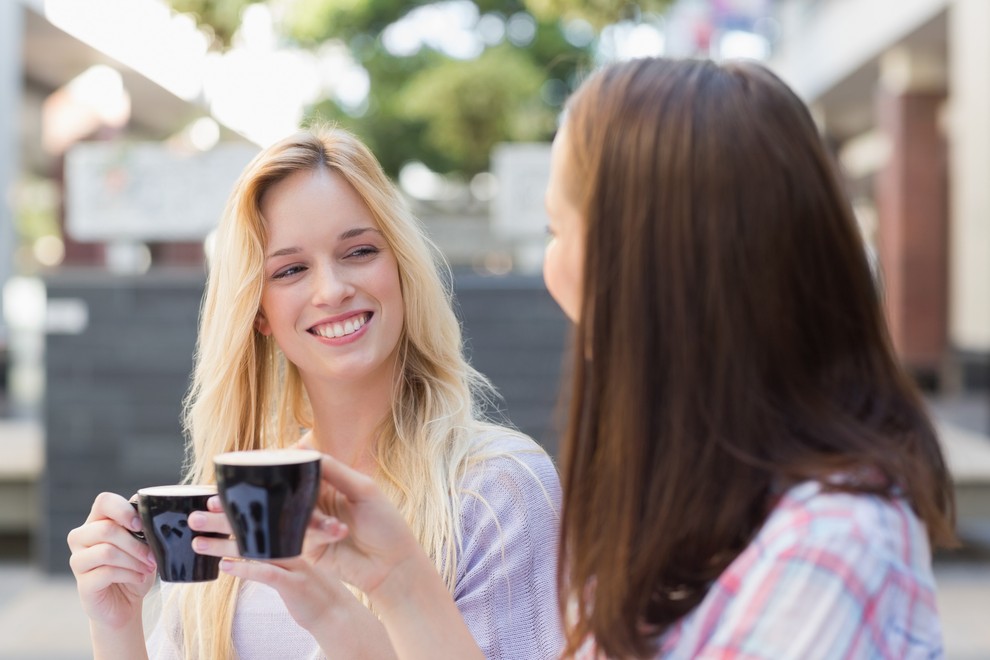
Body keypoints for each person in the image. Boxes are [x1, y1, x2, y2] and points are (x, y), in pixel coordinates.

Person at [293, 57, 958, 659]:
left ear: (646, 262)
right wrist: (396, 581)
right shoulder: (697, 513)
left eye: (559, 231)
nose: (552, 270)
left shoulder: (826, 555)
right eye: (289, 269)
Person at [66, 127, 563, 659]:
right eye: (292, 269)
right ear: (258, 312)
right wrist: (115, 628)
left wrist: (332, 613)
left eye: (360, 250)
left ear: (401, 265)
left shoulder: (497, 490)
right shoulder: (234, 503)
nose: (332, 290)